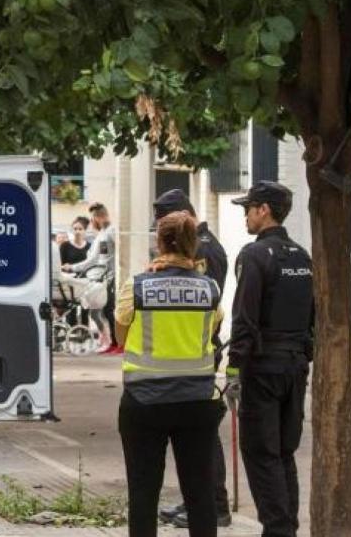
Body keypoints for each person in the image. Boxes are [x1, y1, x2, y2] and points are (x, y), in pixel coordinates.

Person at [114, 212, 222, 537]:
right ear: (194, 244)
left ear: (159, 241)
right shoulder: (210, 289)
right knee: (201, 495)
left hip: (144, 402)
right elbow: (211, 330)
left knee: (143, 495)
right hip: (197, 404)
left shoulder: (136, 286)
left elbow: (121, 338)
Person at [225, 181, 314, 537]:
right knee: (283, 452)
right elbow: (312, 316)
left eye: (249, 207)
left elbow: (244, 320)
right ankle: (286, 528)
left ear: (264, 210)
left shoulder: (254, 255)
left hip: (263, 368)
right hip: (295, 366)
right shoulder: (302, 256)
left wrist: (233, 370)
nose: (245, 214)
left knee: (261, 453)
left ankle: (278, 530)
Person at [151, 189, 232, 528]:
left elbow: (203, 299)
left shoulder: (206, 250)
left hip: (197, 349)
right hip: (191, 349)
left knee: (203, 433)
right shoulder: (201, 245)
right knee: (196, 433)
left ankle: (215, 503)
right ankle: (198, 499)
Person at [63, 202, 118, 352]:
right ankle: (105, 338)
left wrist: (72, 267)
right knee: (95, 311)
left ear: (98, 217)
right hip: (98, 278)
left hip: (107, 278)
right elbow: (94, 258)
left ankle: (114, 344)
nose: (91, 221)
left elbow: (95, 260)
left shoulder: (111, 232)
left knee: (107, 311)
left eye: (92, 218)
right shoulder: (101, 234)